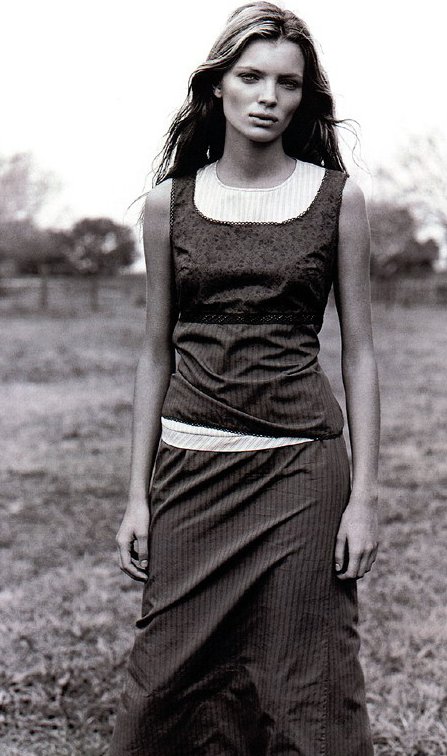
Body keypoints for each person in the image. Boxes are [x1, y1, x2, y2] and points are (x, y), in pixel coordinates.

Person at [109, 3, 380, 754]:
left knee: (305, 686)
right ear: (217, 86)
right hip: (191, 473)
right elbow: (154, 353)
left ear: (303, 98)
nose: (268, 97)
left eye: (287, 83)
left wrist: (363, 498)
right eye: (251, 77)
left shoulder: (338, 200)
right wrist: (136, 496)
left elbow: (359, 353)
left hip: (302, 473)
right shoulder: (168, 205)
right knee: (165, 690)